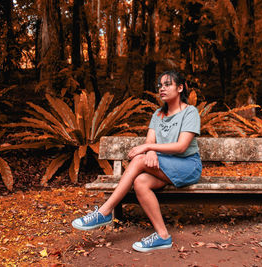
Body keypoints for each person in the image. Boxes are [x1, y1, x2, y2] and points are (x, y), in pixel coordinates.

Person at [72, 70, 202, 252]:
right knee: (140, 182)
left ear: (180, 88)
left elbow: (181, 147)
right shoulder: (158, 114)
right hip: (164, 166)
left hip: (188, 166)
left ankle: (104, 211)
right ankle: (163, 236)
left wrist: (148, 150)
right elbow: (150, 141)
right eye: (160, 86)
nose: (162, 89)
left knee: (140, 159)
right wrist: (150, 150)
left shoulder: (190, 112)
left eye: (167, 84)